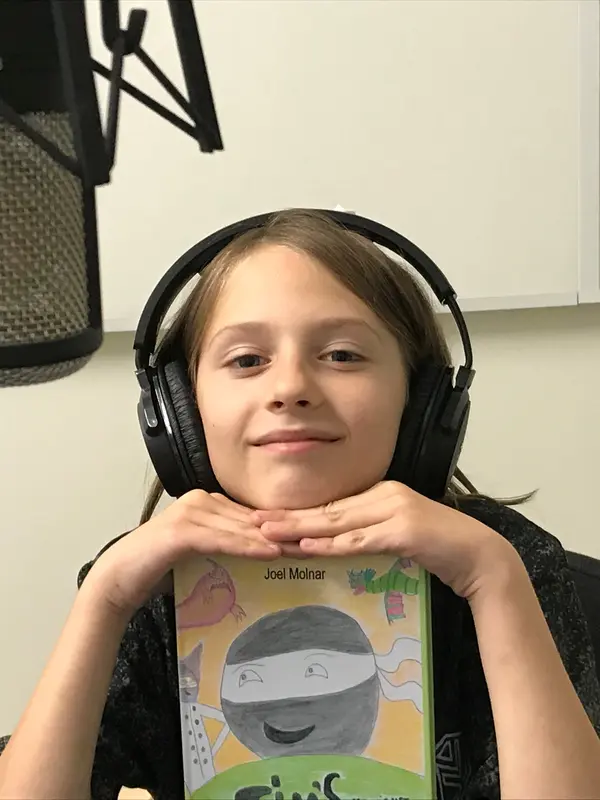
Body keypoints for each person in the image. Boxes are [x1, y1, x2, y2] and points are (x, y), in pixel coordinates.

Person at [0, 209, 599, 800]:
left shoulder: (500, 559)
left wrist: (493, 579)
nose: (289, 388)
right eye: (247, 361)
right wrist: (104, 599)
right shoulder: (148, 581)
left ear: (423, 403)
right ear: (178, 412)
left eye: (341, 355)